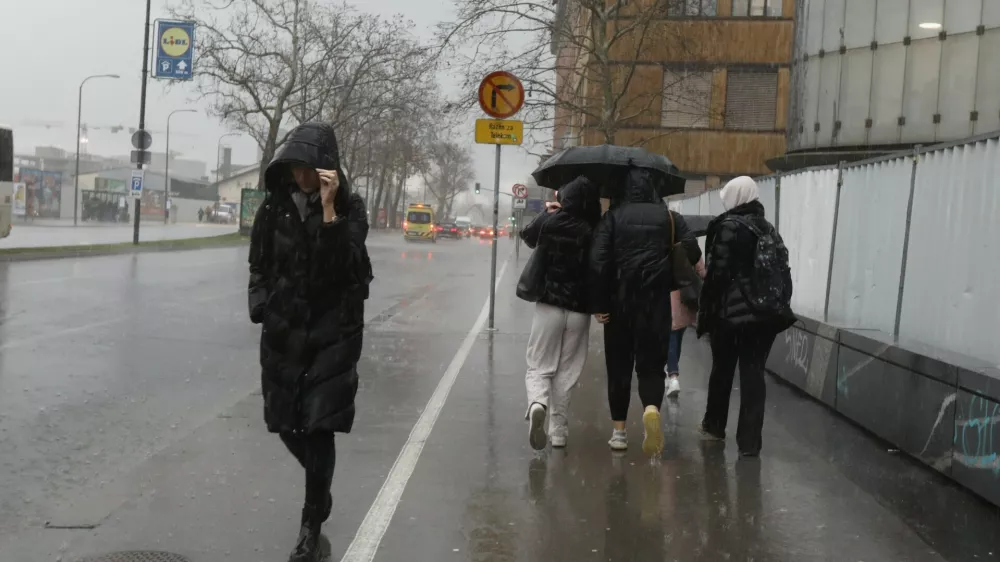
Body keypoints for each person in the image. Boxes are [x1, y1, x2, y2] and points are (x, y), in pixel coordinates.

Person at [248, 122, 373, 562]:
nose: (302, 178)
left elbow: (344, 265)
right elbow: (259, 263)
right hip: (284, 333)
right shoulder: (274, 209)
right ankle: (321, 491)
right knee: (284, 423)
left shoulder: (351, 209)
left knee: (319, 426)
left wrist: (329, 209)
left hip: (333, 333)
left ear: (327, 169)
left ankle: (310, 526)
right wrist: (260, 301)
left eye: (310, 170)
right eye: (296, 168)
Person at [590, 168, 701, 456]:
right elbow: (693, 252)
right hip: (655, 304)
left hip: (619, 304)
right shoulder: (669, 218)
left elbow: (598, 262)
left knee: (619, 368)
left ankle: (619, 433)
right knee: (651, 366)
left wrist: (600, 304)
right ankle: (651, 409)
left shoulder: (612, 217)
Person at [697, 176, 794, 457]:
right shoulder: (768, 228)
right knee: (753, 375)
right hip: (763, 317)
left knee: (722, 372)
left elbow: (718, 275)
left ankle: (714, 427)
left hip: (730, 317)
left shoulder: (728, 227)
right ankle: (750, 443)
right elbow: (784, 270)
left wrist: (708, 312)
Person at [519, 177, 601, 450]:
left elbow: (527, 236)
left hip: (548, 307)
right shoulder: (594, 230)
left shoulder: (551, 222)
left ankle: (537, 404)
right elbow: (599, 270)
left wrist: (549, 212)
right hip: (579, 311)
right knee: (566, 372)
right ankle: (559, 432)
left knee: (539, 365)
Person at [666, 256, 706, 396]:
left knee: (671, 337)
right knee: (677, 336)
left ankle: (673, 376)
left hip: (668, 298)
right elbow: (701, 270)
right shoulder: (688, 245)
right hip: (685, 298)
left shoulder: (662, 242)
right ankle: (672, 374)